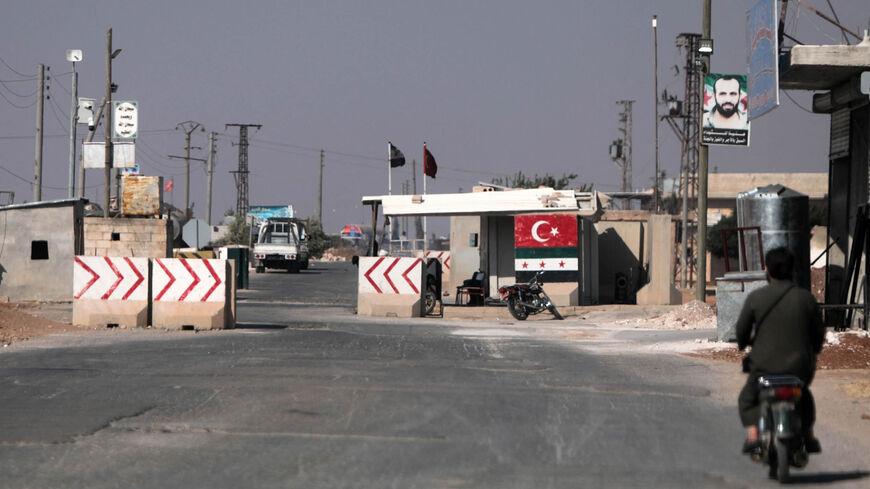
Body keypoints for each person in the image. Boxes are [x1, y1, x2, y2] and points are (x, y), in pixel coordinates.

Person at [736, 247, 825, 454]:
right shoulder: (806, 298)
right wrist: (812, 351)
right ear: (793, 270)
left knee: (747, 398)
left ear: (767, 270)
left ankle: (754, 434)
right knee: (804, 395)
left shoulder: (756, 298)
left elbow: (742, 330)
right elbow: (818, 334)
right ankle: (808, 434)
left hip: (764, 366)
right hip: (798, 367)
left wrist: (742, 343)